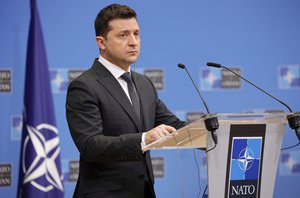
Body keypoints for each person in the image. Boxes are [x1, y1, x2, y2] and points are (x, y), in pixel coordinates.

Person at [66, 3, 186, 198]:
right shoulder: (84, 86)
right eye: (123, 35)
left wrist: (218, 132)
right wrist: (144, 139)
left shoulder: (144, 83)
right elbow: (90, 145)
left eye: (136, 34)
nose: (133, 42)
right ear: (101, 42)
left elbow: (175, 125)